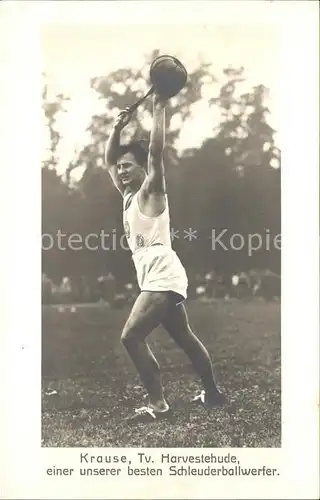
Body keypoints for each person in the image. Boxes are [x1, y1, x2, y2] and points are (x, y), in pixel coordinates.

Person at [104, 92, 226, 423]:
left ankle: (158, 405)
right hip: (159, 273)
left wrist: (159, 106)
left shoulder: (150, 190)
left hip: (161, 273)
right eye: (121, 167)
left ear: (143, 169)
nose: (121, 170)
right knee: (184, 337)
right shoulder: (128, 195)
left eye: (127, 165)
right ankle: (212, 393)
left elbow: (156, 153)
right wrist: (117, 129)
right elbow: (107, 160)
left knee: (130, 336)